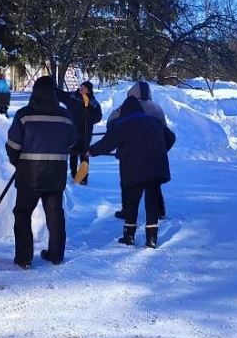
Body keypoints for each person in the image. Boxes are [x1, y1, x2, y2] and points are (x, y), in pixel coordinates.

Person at [6, 77, 78, 268]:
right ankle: (56, 254)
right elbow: (72, 141)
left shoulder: (24, 115)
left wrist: (18, 162)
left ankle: (24, 258)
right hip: (56, 173)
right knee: (55, 214)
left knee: (22, 213)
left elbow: (13, 145)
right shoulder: (65, 116)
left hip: (29, 175)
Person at [88, 96, 175, 249]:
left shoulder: (122, 124)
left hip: (134, 168)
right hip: (155, 167)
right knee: (152, 201)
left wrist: (91, 151)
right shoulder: (154, 121)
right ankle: (151, 239)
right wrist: (160, 150)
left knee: (132, 201)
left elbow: (107, 143)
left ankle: (129, 236)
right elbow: (171, 137)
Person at [107, 81, 168, 219]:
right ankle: (159, 210)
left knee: (127, 182)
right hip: (153, 152)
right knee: (154, 182)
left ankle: (127, 210)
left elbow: (111, 123)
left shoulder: (126, 107)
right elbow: (165, 132)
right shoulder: (157, 108)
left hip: (129, 152)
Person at [57, 81, 102, 185]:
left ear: (89, 91)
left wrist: (89, 118)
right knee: (73, 153)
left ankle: (83, 177)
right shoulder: (72, 97)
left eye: (84, 88)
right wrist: (51, 87)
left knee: (84, 155)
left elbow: (98, 116)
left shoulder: (93, 103)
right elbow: (60, 94)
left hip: (85, 133)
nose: (81, 89)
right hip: (72, 131)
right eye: (81, 86)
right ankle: (74, 175)